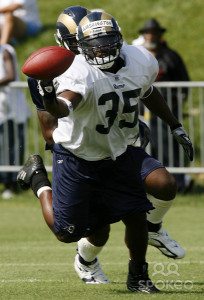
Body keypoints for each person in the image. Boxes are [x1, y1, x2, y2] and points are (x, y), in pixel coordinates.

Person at [17, 11, 193, 293]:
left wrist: (175, 125)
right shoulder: (76, 71)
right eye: (93, 43)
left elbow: (146, 90)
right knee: (67, 232)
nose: (101, 48)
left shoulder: (140, 58)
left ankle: (139, 277)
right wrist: (49, 93)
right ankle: (38, 181)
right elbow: (62, 108)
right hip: (78, 155)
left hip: (119, 150)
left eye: (107, 40)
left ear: (119, 39)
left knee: (136, 212)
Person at [132, 18, 192, 192]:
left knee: (170, 148)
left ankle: (177, 182)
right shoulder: (139, 56)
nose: (151, 36)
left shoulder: (171, 56)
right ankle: (150, 183)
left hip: (166, 111)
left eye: (154, 33)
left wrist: (175, 103)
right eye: (148, 33)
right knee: (148, 147)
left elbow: (183, 82)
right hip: (143, 112)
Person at [0, 43, 30, 199]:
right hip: (2, 110)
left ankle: (11, 184)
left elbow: (10, 75)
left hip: (11, 110)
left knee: (10, 148)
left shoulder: (5, 50)